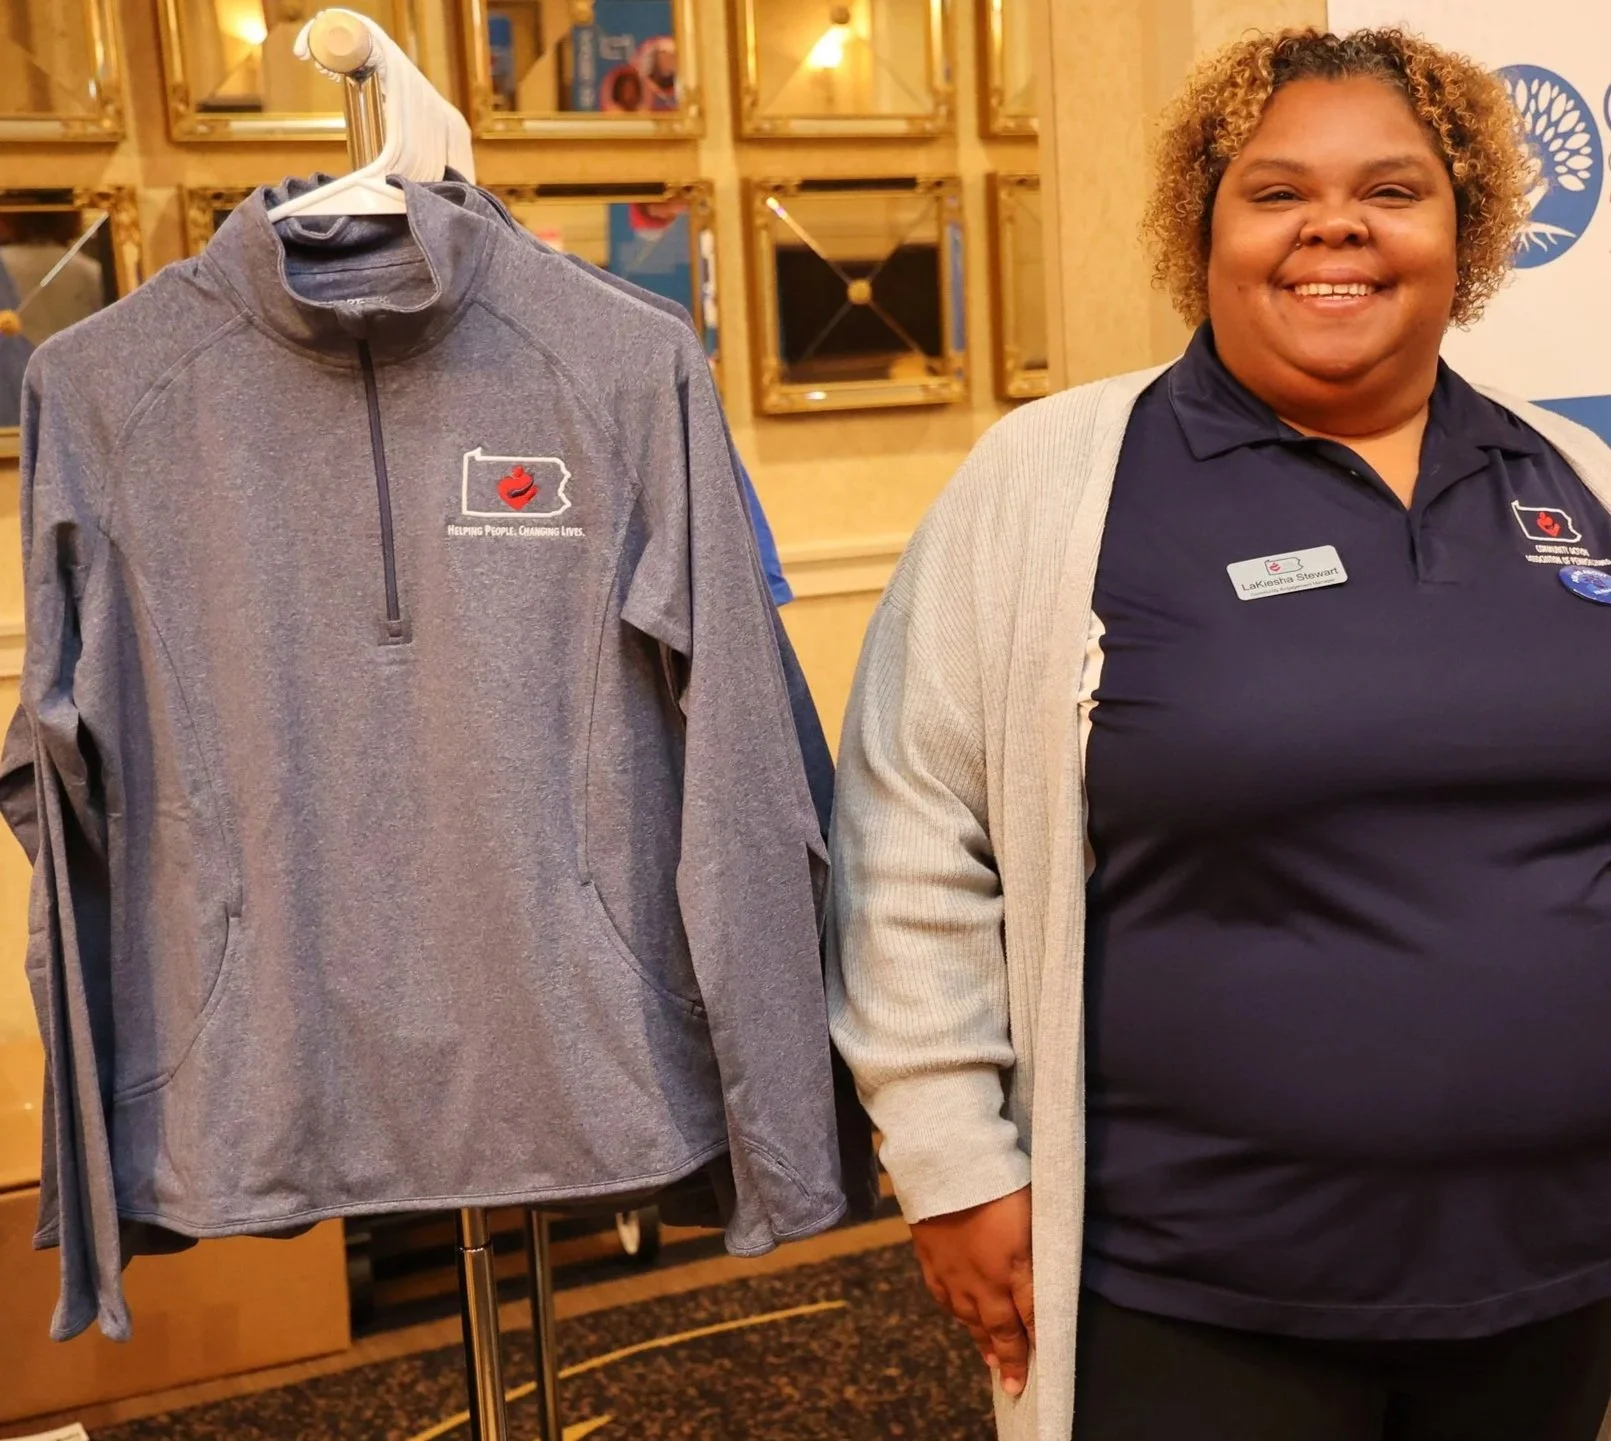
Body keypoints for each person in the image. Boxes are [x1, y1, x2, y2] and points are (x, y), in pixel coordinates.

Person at [829, 26, 1611, 1441]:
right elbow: (908, 830)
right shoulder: (1057, 479)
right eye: (1276, 191)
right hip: (1196, 1290)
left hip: (1555, 1274)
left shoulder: (1573, 474)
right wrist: (950, 1159)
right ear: (1203, 229)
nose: (1335, 226)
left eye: (1392, 190)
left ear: (1470, 229)